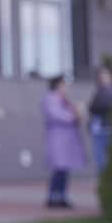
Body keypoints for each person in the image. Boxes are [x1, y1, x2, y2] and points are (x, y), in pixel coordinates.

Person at [42, 75, 86, 208]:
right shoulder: (50, 99)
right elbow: (55, 115)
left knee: (64, 170)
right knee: (59, 169)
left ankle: (61, 197)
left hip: (67, 139)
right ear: (57, 85)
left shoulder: (64, 100)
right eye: (64, 85)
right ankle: (53, 198)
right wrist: (73, 116)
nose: (66, 88)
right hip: (58, 139)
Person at [87, 65, 112, 175]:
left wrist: (91, 108)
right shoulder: (99, 91)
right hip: (99, 129)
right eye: (101, 75)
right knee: (100, 160)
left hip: (106, 128)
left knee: (104, 160)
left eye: (105, 74)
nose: (102, 77)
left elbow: (104, 106)